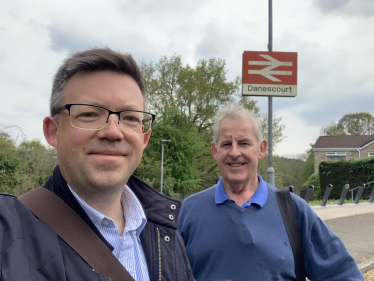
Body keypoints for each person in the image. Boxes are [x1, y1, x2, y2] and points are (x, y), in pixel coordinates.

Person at [0, 48, 194, 281]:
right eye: (90, 114)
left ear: (144, 138)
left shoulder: (166, 230)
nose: (113, 132)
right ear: (53, 132)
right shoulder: (9, 235)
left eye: (130, 118)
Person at [178, 104, 364, 281]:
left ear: (261, 149)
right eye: (226, 144)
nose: (234, 153)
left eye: (243, 143)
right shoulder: (188, 212)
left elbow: (345, 274)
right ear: (215, 151)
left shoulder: (293, 210)